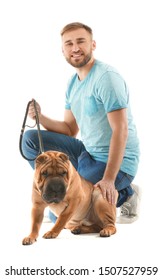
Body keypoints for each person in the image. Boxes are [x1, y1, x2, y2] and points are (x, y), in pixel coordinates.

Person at [22, 22, 140, 224]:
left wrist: (110, 179)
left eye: (80, 41)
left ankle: (126, 193)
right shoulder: (72, 83)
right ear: (63, 50)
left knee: (65, 209)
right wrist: (41, 118)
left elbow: (121, 130)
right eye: (69, 44)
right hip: (87, 152)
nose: (75, 48)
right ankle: (50, 186)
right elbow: (69, 130)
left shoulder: (106, 78)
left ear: (93, 44)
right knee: (30, 140)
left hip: (116, 162)